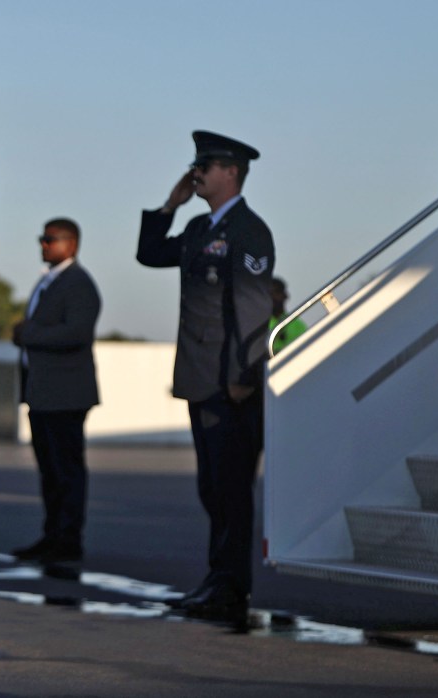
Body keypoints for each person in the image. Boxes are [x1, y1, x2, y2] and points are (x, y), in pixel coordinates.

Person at [136, 131, 274, 624]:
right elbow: (150, 254)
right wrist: (169, 206)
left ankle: (232, 588)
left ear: (231, 173)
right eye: (196, 164)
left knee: (231, 490)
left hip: (228, 381)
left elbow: (254, 309)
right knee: (212, 488)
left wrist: (244, 374)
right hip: (200, 378)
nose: (197, 172)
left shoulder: (249, 230)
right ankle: (217, 580)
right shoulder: (198, 227)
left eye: (206, 165)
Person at [11, 218, 101, 568]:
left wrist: (28, 334)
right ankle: (52, 535)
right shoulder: (50, 281)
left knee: (66, 470)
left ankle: (68, 539)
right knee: (50, 470)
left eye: (50, 240)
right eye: (42, 239)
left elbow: (77, 333)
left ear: (71, 244)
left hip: (66, 394)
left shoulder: (78, 283)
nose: (43, 245)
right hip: (44, 393)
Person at [268, 277, 307, 354]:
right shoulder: (260, 325)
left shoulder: (296, 323)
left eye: (276, 292)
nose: (273, 297)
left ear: (285, 295)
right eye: (269, 294)